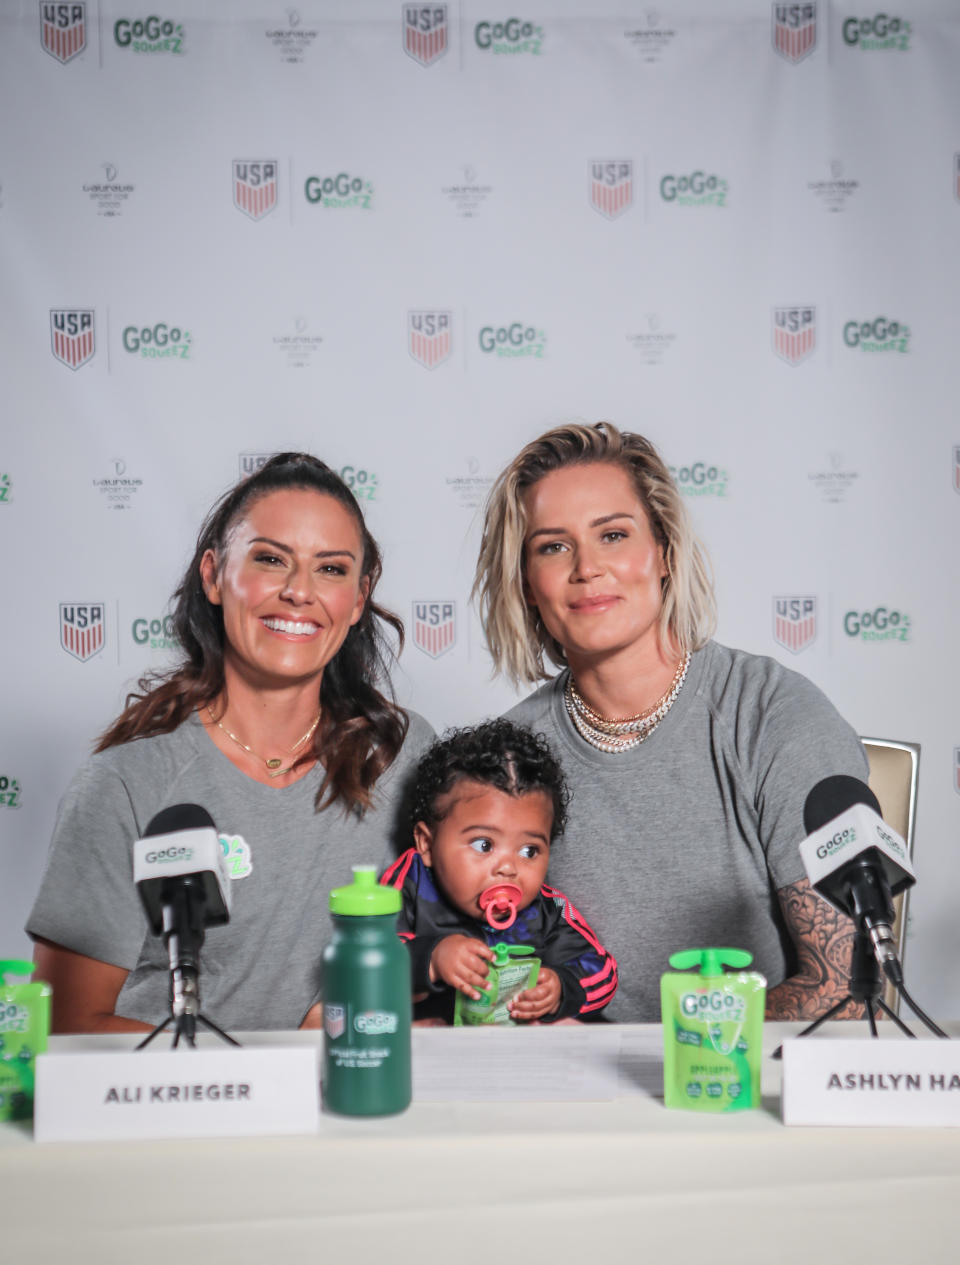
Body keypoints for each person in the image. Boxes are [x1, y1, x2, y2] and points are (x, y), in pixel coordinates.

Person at [473, 422, 869, 1024]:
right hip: (563, 1097)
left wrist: (673, 1069)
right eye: (553, 546)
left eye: (613, 534)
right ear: (527, 584)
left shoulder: (775, 716)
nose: (588, 568)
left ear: (664, 553)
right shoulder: (506, 758)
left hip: (736, 1090)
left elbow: (843, 989)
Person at [28, 454, 433, 1033]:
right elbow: (64, 1025)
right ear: (214, 575)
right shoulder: (128, 781)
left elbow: (457, 943)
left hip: (352, 1111)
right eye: (270, 559)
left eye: (331, 569)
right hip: (182, 1114)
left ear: (359, 597)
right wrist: (267, 1078)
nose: (299, 592)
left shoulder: (402, 753)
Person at [381, 719, 618, 1023]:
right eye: (483, 845)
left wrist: (561, 988)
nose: (508, 867)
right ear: (427, 844)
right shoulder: (409, 887)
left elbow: (602, 973)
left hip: (515, 1056)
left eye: (528, 851)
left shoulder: (546, 911)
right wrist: (433, 958)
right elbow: (366, 963)